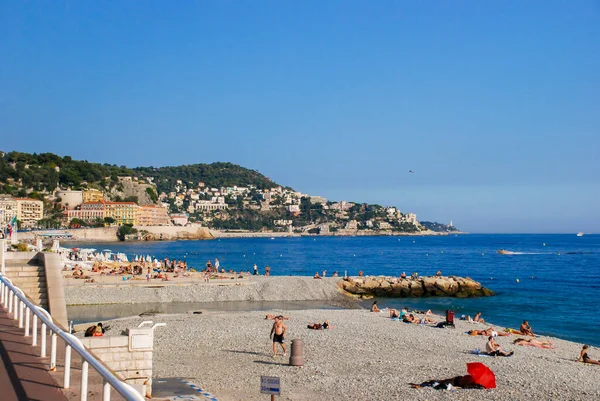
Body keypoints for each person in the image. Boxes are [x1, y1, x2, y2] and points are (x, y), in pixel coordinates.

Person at [411, 375, 484, 390]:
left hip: (456, 379)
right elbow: (464, 386)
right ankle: (421, 385)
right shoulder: (472, 381)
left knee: (440, 382)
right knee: (440, 384)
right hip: (455, 382)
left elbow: (463, 379)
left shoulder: (471, 377)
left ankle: (421, 385)